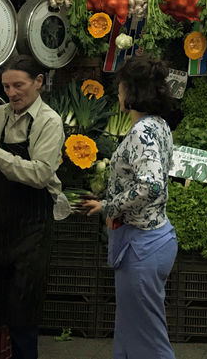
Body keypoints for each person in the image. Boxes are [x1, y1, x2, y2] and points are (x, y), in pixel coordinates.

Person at [0, 55, 64, 359]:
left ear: (39, 83)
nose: (12, 93)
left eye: (19, 85)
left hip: (33, 229)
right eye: (7, 86)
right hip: (2, 226)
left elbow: (40, 173)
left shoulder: (49, 121)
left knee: (24, 312)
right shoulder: (0, 116)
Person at [82, 56, 177, 359]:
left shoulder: (142, 131)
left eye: (121, 86)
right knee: (130, 331)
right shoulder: (159, 125)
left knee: (149, 341)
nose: (118, 92)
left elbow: (151, 185)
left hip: (142, 246)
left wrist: (109, 206)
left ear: (129, 90)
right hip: (149, 241)